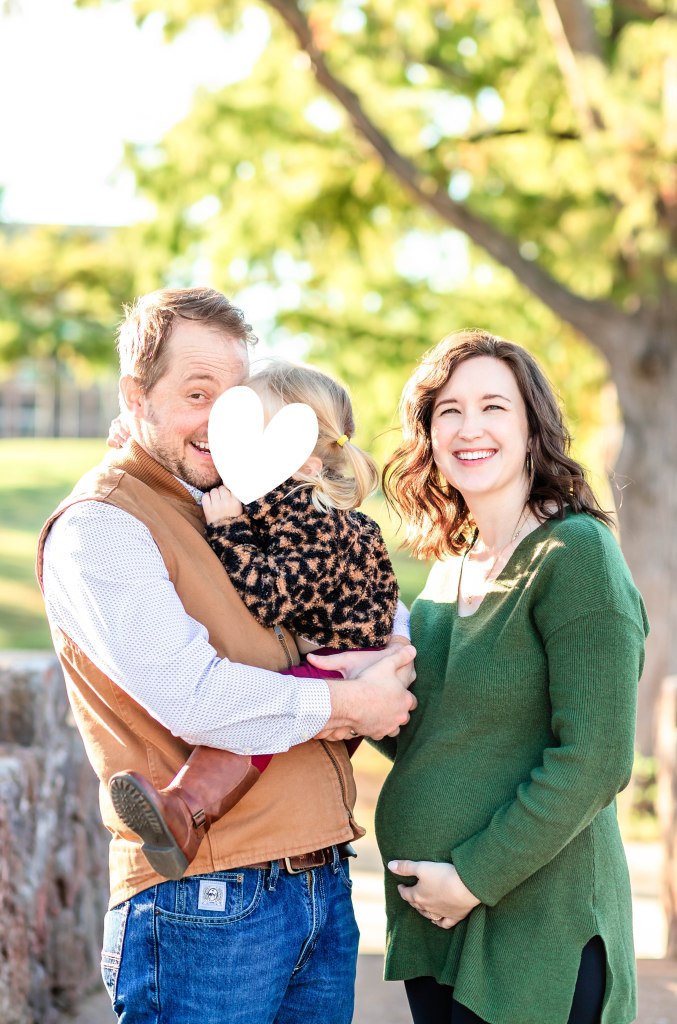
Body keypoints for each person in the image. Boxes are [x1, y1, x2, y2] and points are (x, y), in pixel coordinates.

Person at [37, 286, 416, 1024]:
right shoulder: (103, 525)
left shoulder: (241, 500)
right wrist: (353, 701)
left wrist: (386, 648)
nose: (220, 420)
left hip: (317, 887)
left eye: (236, 398)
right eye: (196, 393)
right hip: (204, 904)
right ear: (136, 397)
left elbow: (352, 592)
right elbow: (196, 697)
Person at [374, 329, 648, 1024]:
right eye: (449, 411)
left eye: (493, 406)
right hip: (437, 923)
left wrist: (472, 878)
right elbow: (435, 735)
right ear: (429, 437)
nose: (469, 428)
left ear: (531, 428)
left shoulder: (575, 554)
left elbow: (596, 758)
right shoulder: (449, 570)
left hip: (535, 924)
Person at [107, 359, 400, 880]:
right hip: (345, 653)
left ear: (303, 461)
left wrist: (228, 529)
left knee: (256, 721)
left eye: (250, 437)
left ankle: (185, 809)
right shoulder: (285, 502)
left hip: (348, 661)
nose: (227, 445)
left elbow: (270, 597)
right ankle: (183, 815)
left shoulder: (315, 521)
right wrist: (138, 440)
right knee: (262, 722)